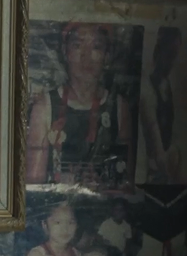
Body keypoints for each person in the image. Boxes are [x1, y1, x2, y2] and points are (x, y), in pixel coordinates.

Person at [26, 23, 134, 188]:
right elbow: (34, 184)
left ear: (106, 56)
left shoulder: (119, 108)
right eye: (77, 46)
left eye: (96, 47)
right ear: (65, 51)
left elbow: (126, 183)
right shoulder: (44, 107)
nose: (86, 57)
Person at [139, 27, 183, 184]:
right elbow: (153, 130)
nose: (171, 61)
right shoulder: (147, 89)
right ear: (159, 51)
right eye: (169, 54)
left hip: (165, 168)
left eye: (174, 55)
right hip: (153, 170)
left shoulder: (168, 86)